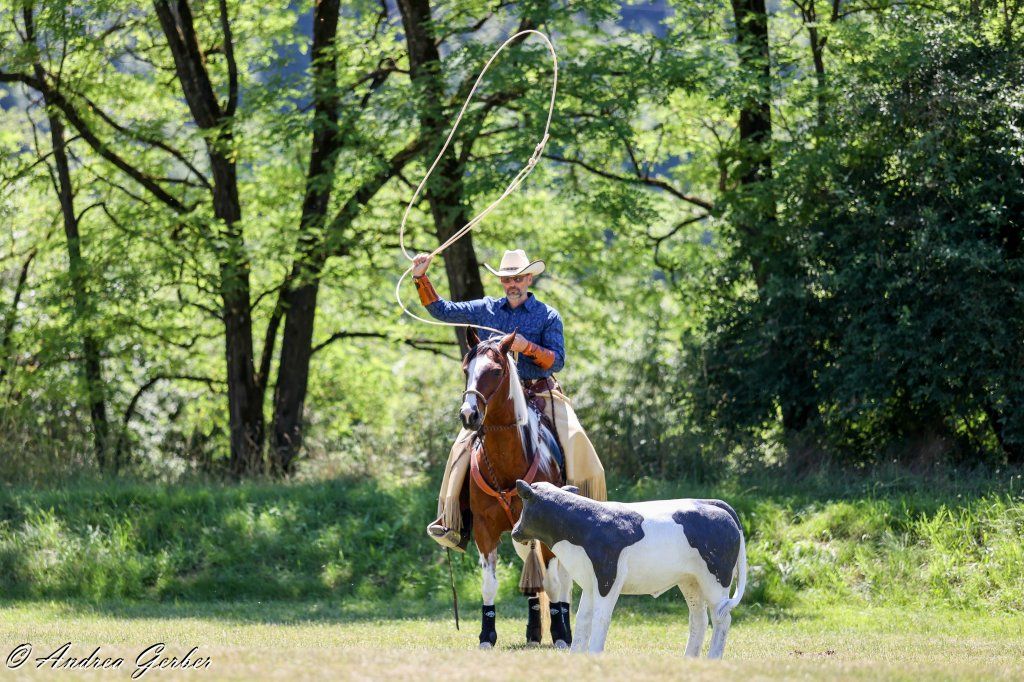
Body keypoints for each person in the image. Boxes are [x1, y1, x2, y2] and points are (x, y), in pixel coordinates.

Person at [412, 248, 606, 550]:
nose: (512, 283)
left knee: (576, 440)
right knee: (461, 448)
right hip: (495, 400)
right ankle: (452, 521)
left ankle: (591, 518)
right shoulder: (486, 309)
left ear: (529, 278)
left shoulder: (547, 315)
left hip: (539, 390)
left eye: (517, 278)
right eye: (506, 279)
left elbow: (557, 361)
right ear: (501, 281)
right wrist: (421, 278)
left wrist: (529, 348)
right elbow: (443, 310)